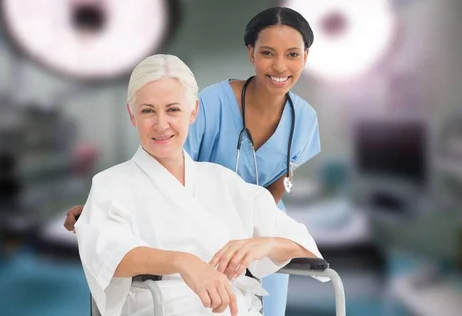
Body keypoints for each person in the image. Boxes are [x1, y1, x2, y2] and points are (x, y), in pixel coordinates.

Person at [67, 7, 320, 315]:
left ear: (192, 113)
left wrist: (264, 244)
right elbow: (108, 254)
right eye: (148, 111)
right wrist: (182, 262)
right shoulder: (110, 185)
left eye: (173, 109)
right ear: (132, 115)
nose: (161, 125)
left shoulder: (223, 181)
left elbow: (303, 245)